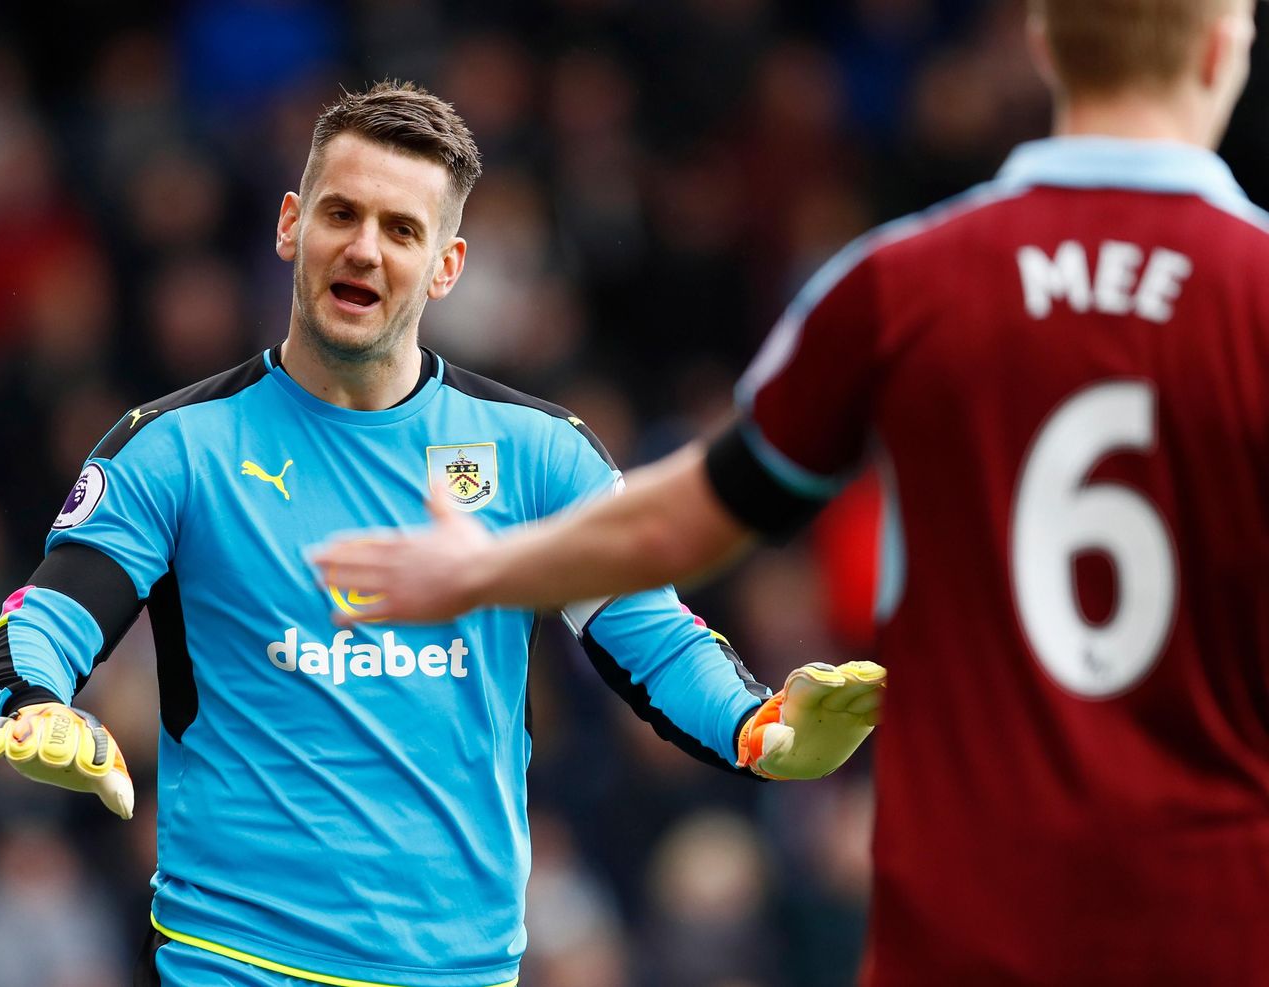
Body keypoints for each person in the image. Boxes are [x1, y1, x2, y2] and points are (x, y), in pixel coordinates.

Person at [315, 3, 1269, 984]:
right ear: (1221, 48)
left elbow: (684, 518)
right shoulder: (1257, 291)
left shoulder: (901, 284)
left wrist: (485, 569)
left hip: (965, 923)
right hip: (1216, 919)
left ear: (1042, 45)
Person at [0, 81, 885, 987]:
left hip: (463, 971)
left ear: (446, 266)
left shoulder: (537, 456)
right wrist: (33, 702)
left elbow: (656, 642)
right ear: (291, 225)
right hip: (234, 962)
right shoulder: (176, 447)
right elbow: (43, 616)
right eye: (341, 213)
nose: (364, 248)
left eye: (401, 229)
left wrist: (757, 727)